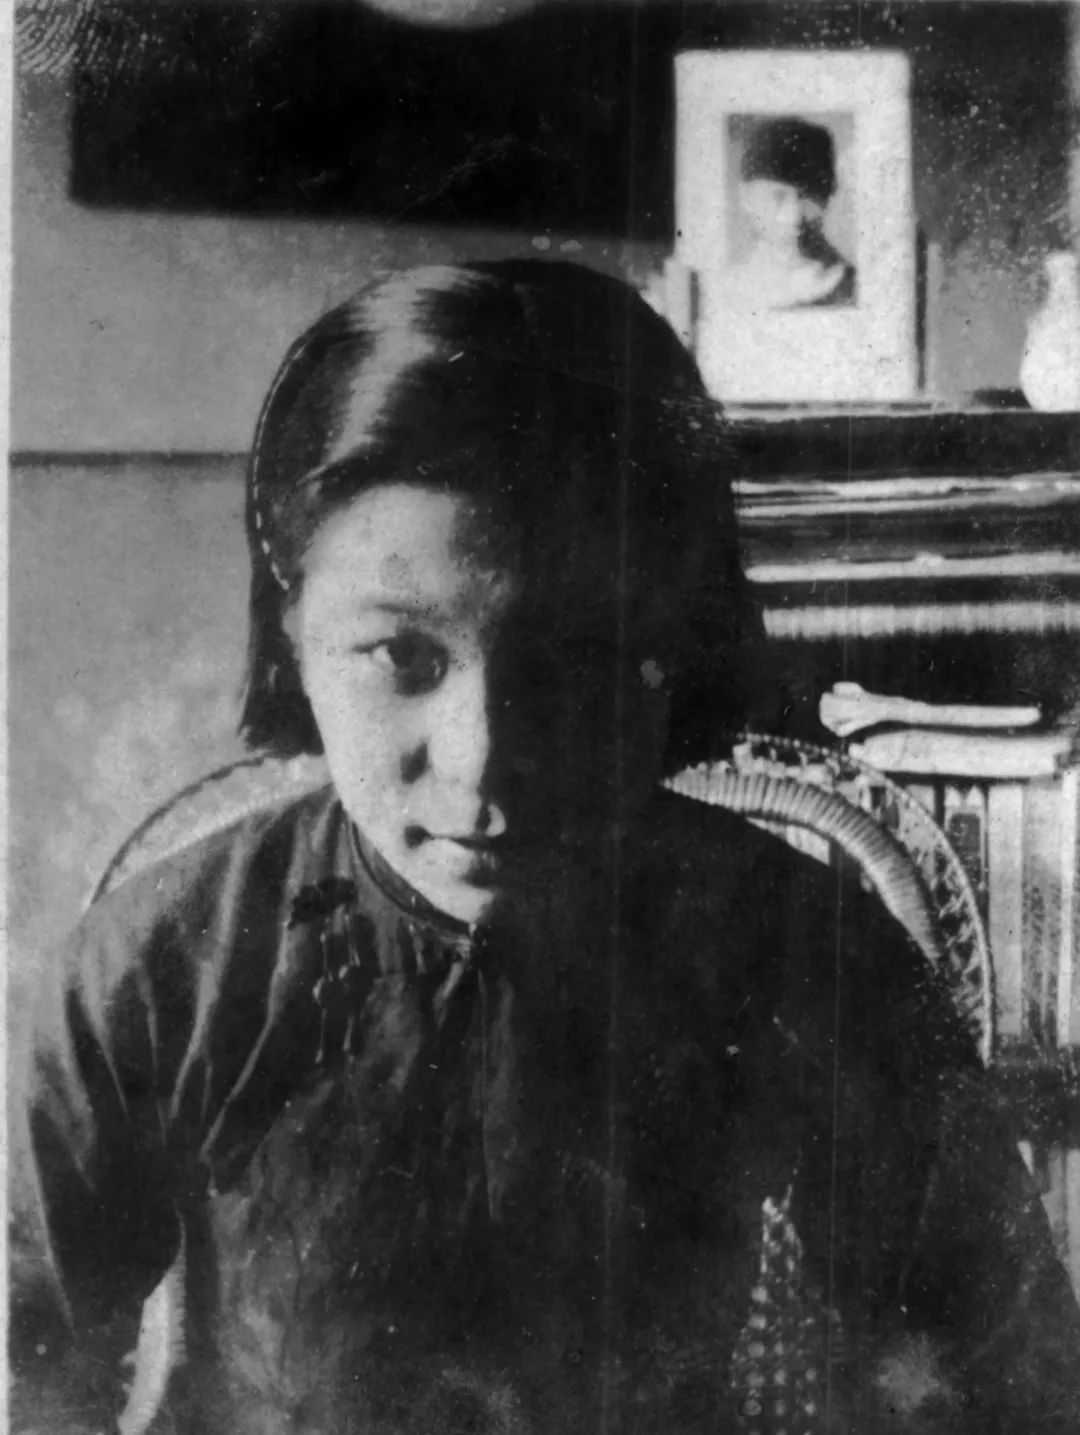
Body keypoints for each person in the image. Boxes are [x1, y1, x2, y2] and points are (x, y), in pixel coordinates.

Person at [9, 261, 1080, 1435]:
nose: (485, 759)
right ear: (294, 629)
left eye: (570, 657)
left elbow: (1011, 1379)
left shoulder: (807, 952)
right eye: (403, 657)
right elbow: (28, 1375)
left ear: (672, 635)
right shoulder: (160, 969)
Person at [725, 117, 856, 312]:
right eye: (778, 196)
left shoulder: (852, 288)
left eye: (808, 197)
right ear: (746, 196)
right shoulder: (727, 288)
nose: (793, 215)